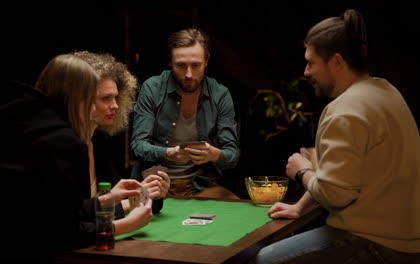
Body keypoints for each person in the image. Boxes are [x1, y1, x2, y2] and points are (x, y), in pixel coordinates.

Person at [251, 9, 420, 263]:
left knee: (264, 259)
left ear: (337, 62)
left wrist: (302, 171)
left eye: (312, 63)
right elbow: (340, 178)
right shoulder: (385, 90)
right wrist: (299, 207)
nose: (306, 72)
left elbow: (335, 195)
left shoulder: (344, 109)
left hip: (377, 243)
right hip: (407, 240)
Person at [0, 53, 149, 262]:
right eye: (96, 98)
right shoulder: (62, 141)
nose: (106, 107)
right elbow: (62, 233)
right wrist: (127, 224)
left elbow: (48, 208)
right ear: (78, 96)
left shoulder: (20, 121)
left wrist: (107, 199)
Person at [130, 28, 240, 201]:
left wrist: (214, 154)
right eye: (181, 65)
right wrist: (168, 153)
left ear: (206, 61)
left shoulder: (220, 94)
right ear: (170, 62)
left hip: (199, 185)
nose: (189, 74)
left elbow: (232, 154)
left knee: (238, 215)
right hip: (156, 186)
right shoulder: (153, 88)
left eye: (195, 65)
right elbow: (138, 145)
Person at [72, 51, 170, 216]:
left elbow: (117, 202)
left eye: (116, 98)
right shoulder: (65, 144)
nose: (116, 106)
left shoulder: (99, 141)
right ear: (81, 99)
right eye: (105, 98)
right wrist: (129, 208)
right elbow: (74, 217)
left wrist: (149, 193)